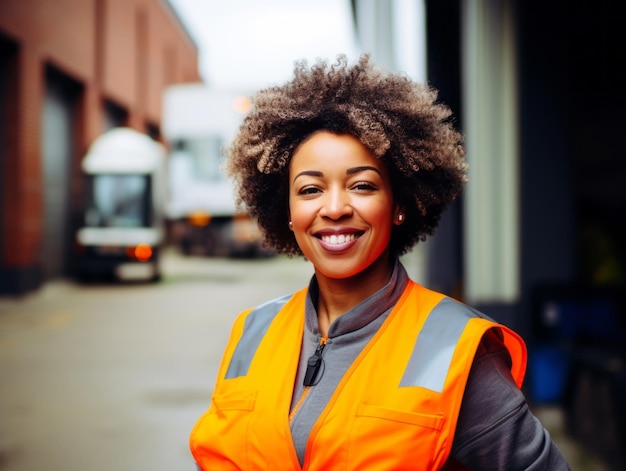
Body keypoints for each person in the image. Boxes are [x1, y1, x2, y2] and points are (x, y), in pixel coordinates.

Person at [189, 55, 570, 470]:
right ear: (287, 212)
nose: (334, 208)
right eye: (311, 189)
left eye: (362, 185)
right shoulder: (252, 331)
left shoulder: (455, 347)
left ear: (399, 204)